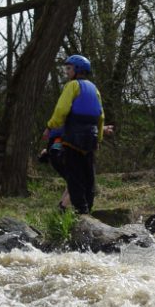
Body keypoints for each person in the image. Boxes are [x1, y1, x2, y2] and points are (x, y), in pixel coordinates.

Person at [41, 54, 107, 214]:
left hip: (73, 138)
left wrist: (50, 127)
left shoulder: (72, 86)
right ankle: (88, 209)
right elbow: (101, 116)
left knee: (74, 176)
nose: (67, 72)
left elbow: (61, 110)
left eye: (69, 68)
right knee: (88, 175)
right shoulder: (94, 89)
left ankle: (81, 212)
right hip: (90, 138)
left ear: (77, 70)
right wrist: (98, 138)